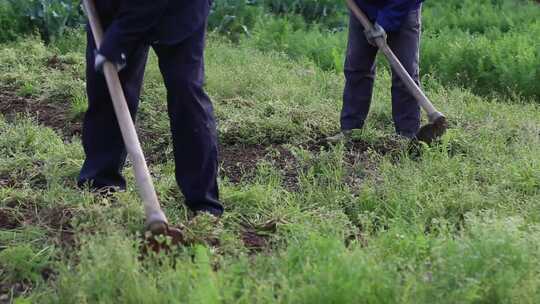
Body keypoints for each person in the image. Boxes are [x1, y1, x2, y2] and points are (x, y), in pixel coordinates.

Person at [78, 0, 224, 217]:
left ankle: (204, 204)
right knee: (107, 87)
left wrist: (119, 39)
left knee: (186, 91)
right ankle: (101, 186)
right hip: (114, 8)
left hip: (180, 8)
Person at [328, 0, 424, 142]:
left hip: (402, 8)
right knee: (356, 68)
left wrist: (385, 23)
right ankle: (350, 131)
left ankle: (407, 135)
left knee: (405, 73)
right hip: (362, 8)